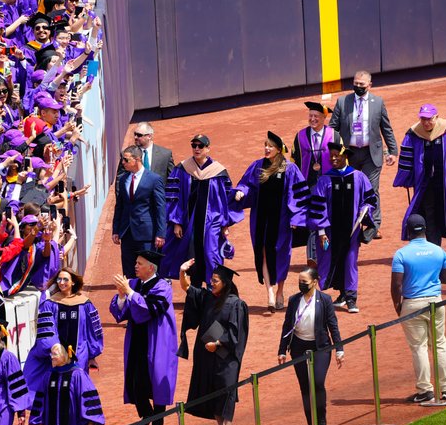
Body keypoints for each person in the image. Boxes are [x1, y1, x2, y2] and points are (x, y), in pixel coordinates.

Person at [233, 131, 307, 312]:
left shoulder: (290, 169)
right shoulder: (258, 166)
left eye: (270, 146)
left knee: (281, 254)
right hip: (260, 219)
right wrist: (241, 191)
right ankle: (271, 293)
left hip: (281, 220)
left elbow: (299, 194)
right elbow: (246, 183)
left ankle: (281, 290)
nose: (266, 148)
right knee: (263, 252)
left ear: (279, 150)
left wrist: (296, 217)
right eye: (265, 145)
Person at [177, 259, 248, 425]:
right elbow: (188, 289)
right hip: (206, 353)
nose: (211, 283)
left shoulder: (236, 304)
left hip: (226, 355)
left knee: (227, 389)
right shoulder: (208, 298)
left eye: (215, 280)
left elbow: (236, 332)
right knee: (212, 390)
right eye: (211, 279)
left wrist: (218, 343)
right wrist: (182, 272)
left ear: (225, 283)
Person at [109, 250, 178, 425]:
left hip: (157, 340)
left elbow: (151, 309)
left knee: (157, 381)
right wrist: (122, 295)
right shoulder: (133, 284)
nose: (135, 266)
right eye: (136, 263)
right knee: (135, 380)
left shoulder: (163, 286)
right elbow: (119, 312)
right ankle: (147, 414)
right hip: (137, 339)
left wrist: (130, 293)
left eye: (140, 263)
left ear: (151, 267)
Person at [393, 104, 446, 259]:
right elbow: (407, 158)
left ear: (436, 117)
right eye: (423, 119)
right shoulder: (414, 134)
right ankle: (435, 248)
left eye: (429, 119)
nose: (425, 123)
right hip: (425, 182)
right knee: (429, 212)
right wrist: (406, 177)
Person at [24, 267, 103, 425]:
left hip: (78, 355)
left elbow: (92, 330)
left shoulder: (85, 304)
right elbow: (47, 330)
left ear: (73, 282)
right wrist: (55, 349)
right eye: (59, 279)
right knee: (53, 388)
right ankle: (50, 423)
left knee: (76, 387)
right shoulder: (50, 304)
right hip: (56, 357)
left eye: (65, 279)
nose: (61, 282)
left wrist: (93, 354)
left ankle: (77, 422)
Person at [160, 134, 241, 286]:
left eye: (200, 146)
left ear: (208, 149)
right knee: (190, 254)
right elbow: (173, 196)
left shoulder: (218, 172)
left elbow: (225, 198)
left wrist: (225, 224)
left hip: (212, 221)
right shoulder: (182, 169)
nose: (197, 149)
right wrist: (176, 222)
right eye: (194, 146)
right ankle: (195, 288)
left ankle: (213, 287)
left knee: (211, 253)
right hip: (188, 221)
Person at [390, 214, 446, 403]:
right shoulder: (438, 251)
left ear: (408, 232)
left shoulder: (401, 254)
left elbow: (396, 286)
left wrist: (398, 306)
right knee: (439, 344)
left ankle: (425, 390)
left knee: (419, 347)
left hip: (412, 304)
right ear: (425, 229)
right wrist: (431, 277)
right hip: (436, 302)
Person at [308, 143, 377, 313]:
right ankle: (342, 294)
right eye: (331, 155)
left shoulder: (358, 177)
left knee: (350, 262)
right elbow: (319, 206)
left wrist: (364, 211)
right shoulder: (325, 180)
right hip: (331, 231)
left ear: (345, 155)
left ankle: (352, 298)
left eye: (336, 155)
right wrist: (322, 231)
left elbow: (370, 200)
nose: (333, 158)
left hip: (351, 230)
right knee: (335, 260)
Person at [329, 70, 398, 238]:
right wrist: (333, 150)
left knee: (371, 189)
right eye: (356, 83)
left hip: (370, 153)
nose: (358, 86)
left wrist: (393, 150)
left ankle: (373, 225)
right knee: (349, 188)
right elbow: (333, 127)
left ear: (369, 85)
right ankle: (351, 222)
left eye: (362, 84)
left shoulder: (378, 102)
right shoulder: (342, 101)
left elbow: (386, 128)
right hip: (348, 154)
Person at [278, 267, 343, 425]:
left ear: (314, 282)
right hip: (299, 347)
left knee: (318, 383)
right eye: (299, 282)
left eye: (304, 282)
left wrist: (339, 349)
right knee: (305, 387)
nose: (301, 285)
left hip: (320, 347)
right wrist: (282, 350)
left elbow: (332, 326)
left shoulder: (325, 300)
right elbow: (287, 326)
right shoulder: (293, 300)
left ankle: (321, 422)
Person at [292, 101, 340, 266]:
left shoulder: (334, 135)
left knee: (331, 218)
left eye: (316, 116)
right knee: (314, 219)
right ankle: (313, 258)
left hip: (330, 182)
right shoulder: (300, 136)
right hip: (310, 183)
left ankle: (330, 255)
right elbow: (295, 161)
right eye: (310, 116)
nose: (312, 119)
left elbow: (341, 159)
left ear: (323, 118)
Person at [112, 145, 166, 278]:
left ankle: (148, 297)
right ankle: (131, 297)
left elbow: (160, 207)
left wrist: (160, 233)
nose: (123, 163)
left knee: (148, 270)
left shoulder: (154, 179)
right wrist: (116, 230)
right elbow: (120, 206)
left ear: (137, 159)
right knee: (129, 270)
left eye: (126, 160)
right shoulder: (124, 179)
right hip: (126, 232)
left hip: (146, 233)